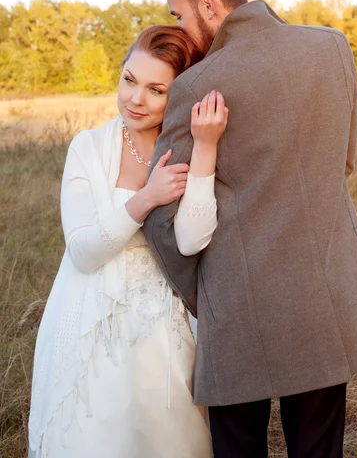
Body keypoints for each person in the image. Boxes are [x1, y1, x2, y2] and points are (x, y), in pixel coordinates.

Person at [143, 0, 357, 458]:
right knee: (319, 446)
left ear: (210, 6)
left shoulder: (195, 86)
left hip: (239, 311)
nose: (178, 26)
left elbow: (161, 215)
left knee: (238, 446)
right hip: (324, 294)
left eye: (179, 13)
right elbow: (342, 161)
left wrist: (196, 294)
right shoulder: (333, 48)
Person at [28, 25, 228, 458]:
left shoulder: (184, 146)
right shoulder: (88, 148)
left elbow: (192, 242)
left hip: (163, 325)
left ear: (178, 94)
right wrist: (147, 199)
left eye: (156, 90)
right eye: (129, 80)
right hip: (91, 318)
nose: (135, 99)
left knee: (168, 434)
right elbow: (82, 251)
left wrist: (206, 148)